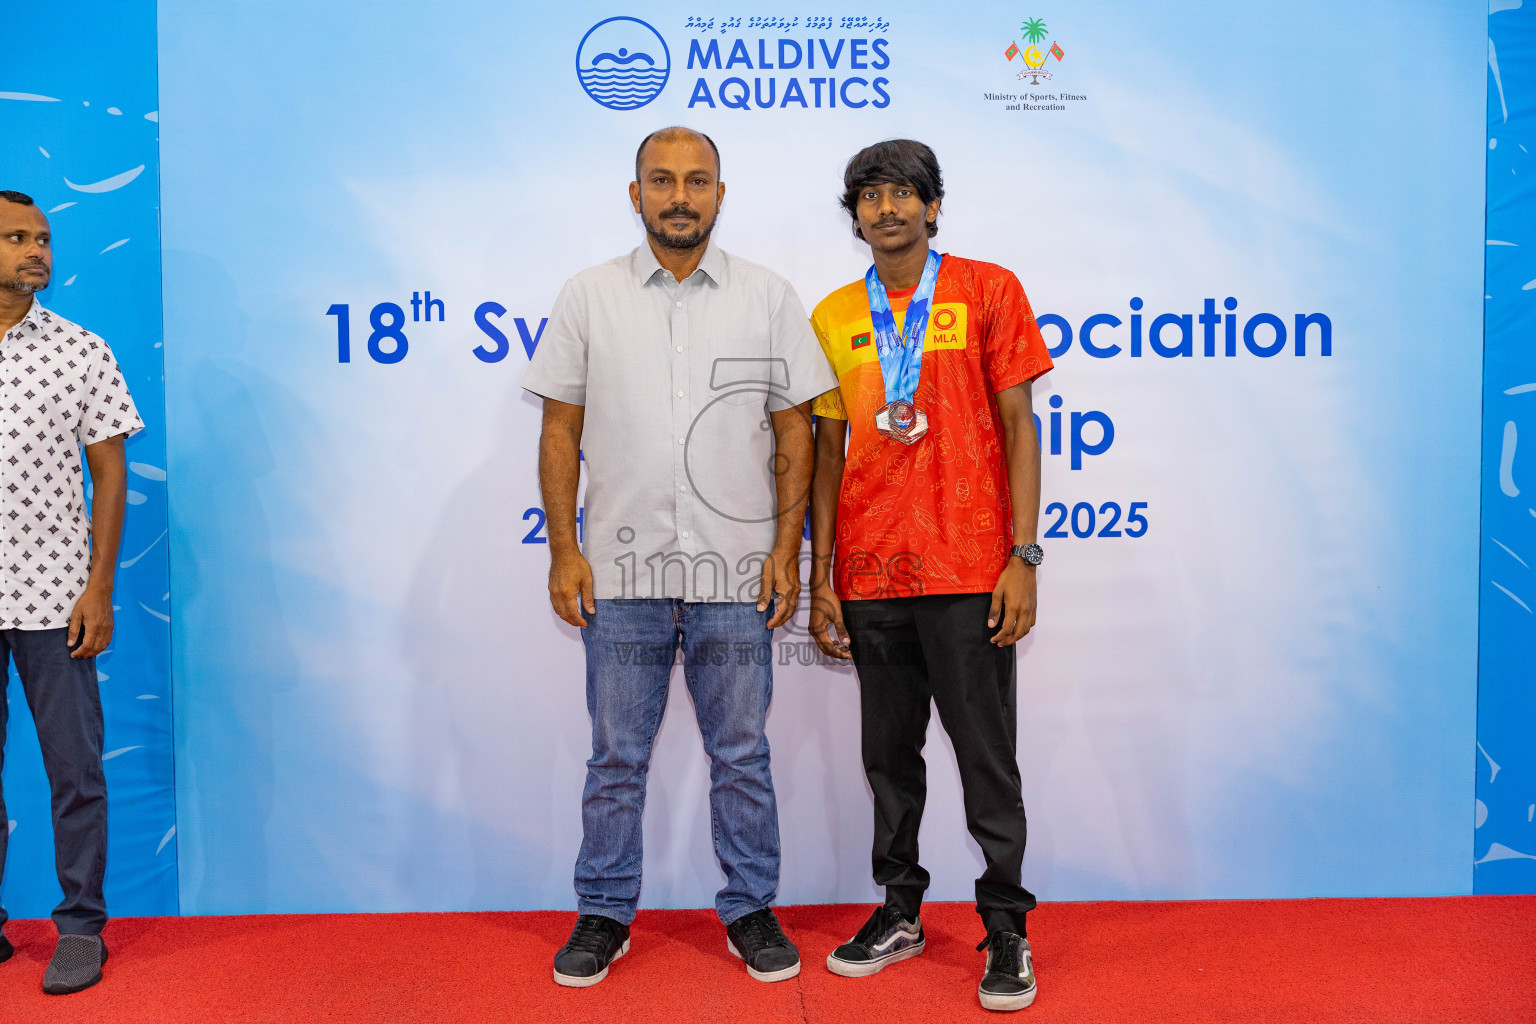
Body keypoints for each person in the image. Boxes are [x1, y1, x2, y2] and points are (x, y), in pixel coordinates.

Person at [523, 128, 837, 988]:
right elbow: (560, 428)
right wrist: (564, 551)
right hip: (620, 576)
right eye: (661, 181)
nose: (679, 196)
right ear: (635, 195)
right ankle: (603, 910)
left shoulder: (768, 296)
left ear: (721, 194)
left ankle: (750, 906)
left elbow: (794, 426)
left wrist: (786, 550)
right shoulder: (589, 296)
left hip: (737, 575)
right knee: (615, 755)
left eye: (696, 181)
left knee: (742, 751)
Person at [805, 141, 1053, 1012]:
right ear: (856, 217)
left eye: (904, 193)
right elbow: (827, 454)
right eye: (869, 196)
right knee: (888, 758)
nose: (887, 209)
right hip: (870, 569)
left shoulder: (990, 289)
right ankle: (900, 911)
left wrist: (1022, 556)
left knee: (987, 758)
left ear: (933, 207)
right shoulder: (835, 315)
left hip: (968, 564)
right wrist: (823, 574)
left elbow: (1021, 427)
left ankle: (1008, 929)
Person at [0, 190, 142, 995]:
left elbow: (111, 476)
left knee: (75, 769)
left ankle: (81, 926)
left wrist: (99, 588)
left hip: (56, 599)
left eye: (43, 238)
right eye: (16, 237)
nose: (36, 251)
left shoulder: (83, 351)